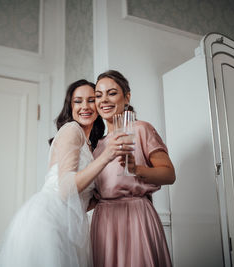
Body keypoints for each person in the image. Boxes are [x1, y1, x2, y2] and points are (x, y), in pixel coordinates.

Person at [0, 79, 133, 267]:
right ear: (70, 106)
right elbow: (66, 189)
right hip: (50, 220)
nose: (85, 107)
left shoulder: (92, 143)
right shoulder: (71, 130)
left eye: (91, 100)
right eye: (78, 101)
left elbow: (81, 198)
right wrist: (106, 157)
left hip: (72, 224)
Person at [90, 70, 176, 267]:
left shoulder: (141, 129)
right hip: (104, 221)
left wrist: (136, 168)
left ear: (127, 97)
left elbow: (169, 174)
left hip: (136, 216)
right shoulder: (97, 145)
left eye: (111, 93)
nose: (104, 100)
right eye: (98, 95)